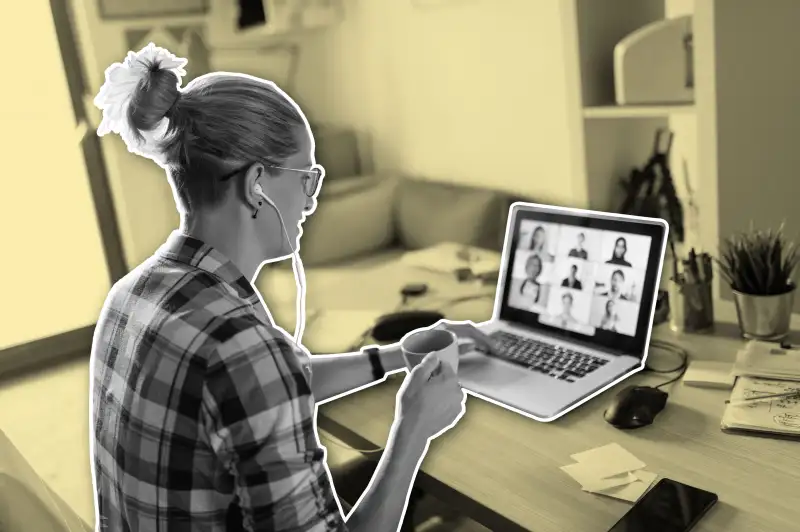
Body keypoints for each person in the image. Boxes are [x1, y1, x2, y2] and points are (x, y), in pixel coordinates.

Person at [88, 44, 497, 532]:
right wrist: (413, 430)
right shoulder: (242, 346)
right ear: (256, 185)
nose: (310, 200)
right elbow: (258, 372)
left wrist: (391, 358)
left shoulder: (130, 294)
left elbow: (259, 386)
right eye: (307, 177)